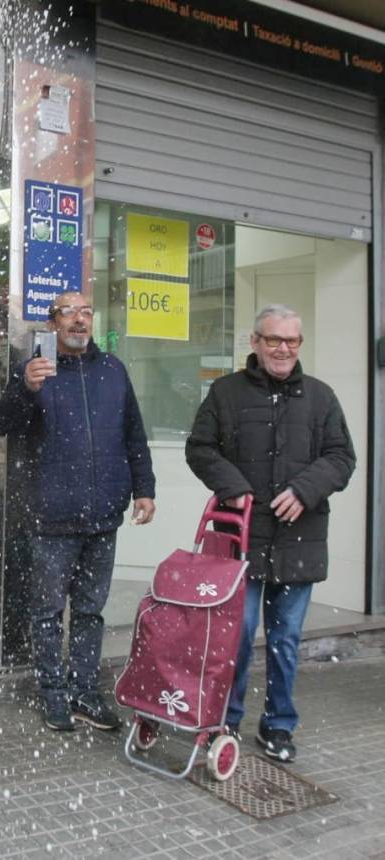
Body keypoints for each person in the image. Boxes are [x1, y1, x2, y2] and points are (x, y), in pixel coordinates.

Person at [185, 304, 354, 763]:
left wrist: (305, 489)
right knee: (235, 637)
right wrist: (234, 486)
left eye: (292, 341)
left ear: (300, 344)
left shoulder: (321, 398)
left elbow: (342, 457)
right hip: (241, 540)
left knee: (285, 642)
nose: (283, 349)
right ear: (255, 342)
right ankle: (228, 721)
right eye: (274, 339)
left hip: (300, 538)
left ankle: (279, 725)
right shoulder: (225, 393)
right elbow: (199, 448)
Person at [0, 291, 155, 733]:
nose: (79, 321)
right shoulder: (33, 371)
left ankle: (85, 692)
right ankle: (53, 695)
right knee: (46, 612)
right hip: (51, 514)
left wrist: (145, 489)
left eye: (85, 312)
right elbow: (1, 422)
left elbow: (134, 434)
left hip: (103, 515)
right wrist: (26, 388)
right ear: (52, 322)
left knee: (89, 611)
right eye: (69, 313)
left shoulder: (112, 370)